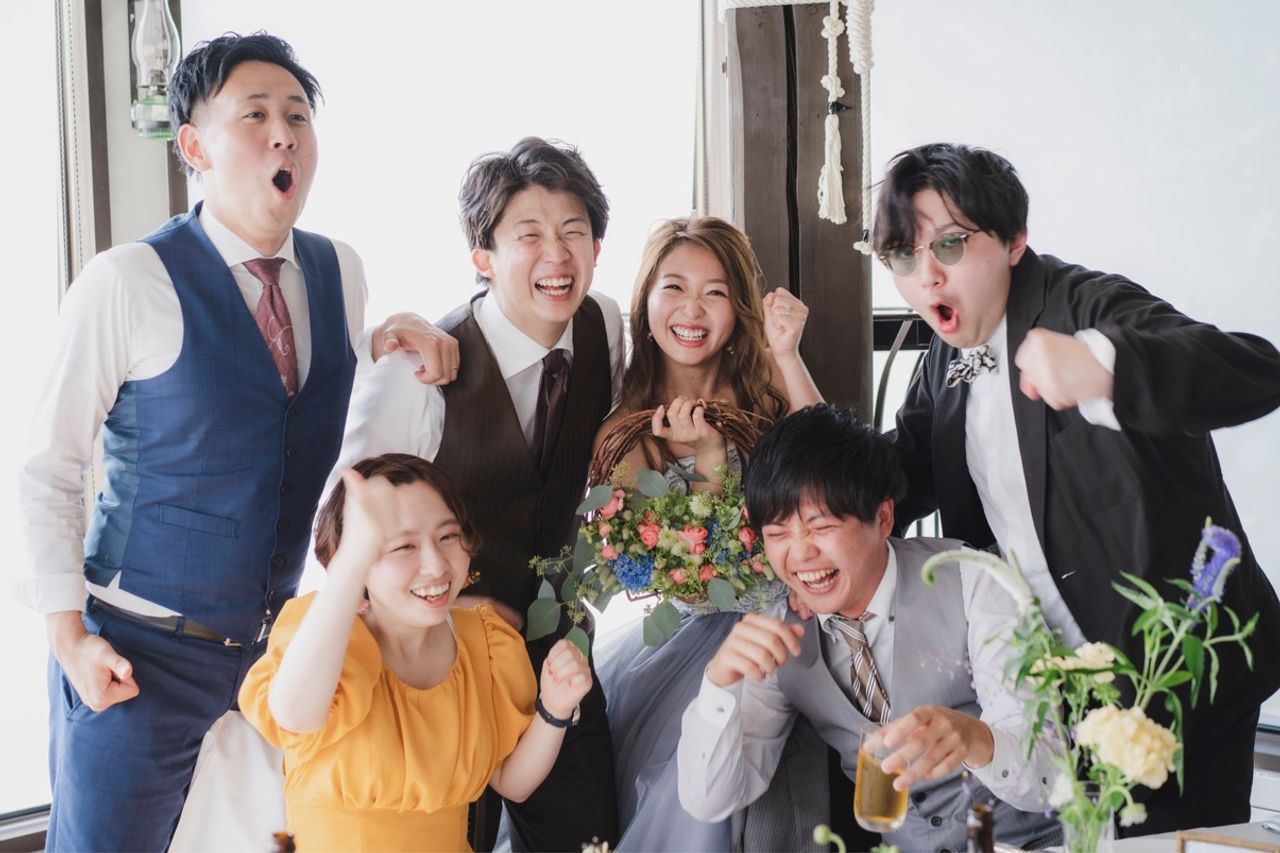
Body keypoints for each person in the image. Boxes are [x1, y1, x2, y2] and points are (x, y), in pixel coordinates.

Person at [16, 33, 447, 851]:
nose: (284, 134)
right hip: (136, 655)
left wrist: (392, 335)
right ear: (194, 147)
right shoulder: (126, 282)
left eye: (298, 116)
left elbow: (313, 406)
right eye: (255, 116)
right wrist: (69, 638)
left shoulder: (342, 271)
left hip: (274, 657)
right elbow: (50, 469)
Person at [879, 142, 1280, 834]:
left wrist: (1104, 366)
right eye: (902, 257)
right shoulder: (946, 358)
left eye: (949, 244)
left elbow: (1253, 369)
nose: (927, 276)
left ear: (1014, 240)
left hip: (1176, 670)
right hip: (1049, 683)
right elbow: (899, 478)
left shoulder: (1084, 304)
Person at [331, 136, 624, 850]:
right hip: (440, 660)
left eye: (574, 232)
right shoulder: (419, 372)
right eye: (529, 235)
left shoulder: (605, 325)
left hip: (555, 646)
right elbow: (344, 528)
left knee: (590, 838)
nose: (557, 255)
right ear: (483, 257)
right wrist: (440, 602)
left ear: (595, 247)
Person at [676, 404, 1062, 852]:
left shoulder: (972, 581)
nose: (800, 555)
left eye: (821, 526)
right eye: (778, 534)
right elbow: (709, 801)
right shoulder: (778, 632)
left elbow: (1051, 774)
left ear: (882, 518)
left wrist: (977, 741)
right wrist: (719, 685)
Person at [591, 215, 823, 850]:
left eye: (715, 292)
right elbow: (689, 584)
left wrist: (787, 354)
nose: (692, 310)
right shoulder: (626, 432)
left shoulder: (764, 384)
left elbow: (831, 471)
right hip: (707, 635)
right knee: (688, 780)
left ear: (738, 307)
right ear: (645, 302)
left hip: (809, 611)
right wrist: (712, 463)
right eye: (674, 287)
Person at [238, 453, 591, 851]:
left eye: (447, 536)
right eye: (403, 546)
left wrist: (555, 710)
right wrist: (351, 561)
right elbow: (295, 715)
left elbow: (512, 782)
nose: (435, 565)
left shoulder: (487, 645)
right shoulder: (326, 636)